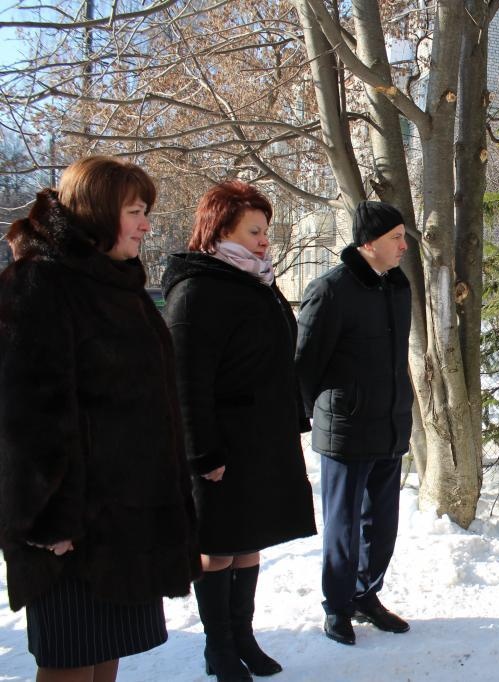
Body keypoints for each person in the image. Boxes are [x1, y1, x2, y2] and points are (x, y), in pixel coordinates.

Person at [0, 156, 201, 682]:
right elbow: (25, 416)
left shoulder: (118, 284)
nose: (146, 225)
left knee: (105, 653)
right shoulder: (41, 283)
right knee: (70, 662)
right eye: (135, 211)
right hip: (72, 531)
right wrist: (46, 520)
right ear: (97, 212)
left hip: (127, 524)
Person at [162, 181, 317, 681]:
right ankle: (219, 646)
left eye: (265, 230)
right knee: (217, 547)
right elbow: (185, 381)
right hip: (221, 447)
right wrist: (203, 453)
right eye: (253, 230)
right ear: (219, 229)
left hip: (260, 441)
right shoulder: (197, 290)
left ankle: (243, 636)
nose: (264, 240)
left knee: (250, 539)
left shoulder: (257, 282)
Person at [295, 200, 413, 645]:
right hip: (345, 430)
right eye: (395, 238)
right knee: (343, 528)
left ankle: (366, 595)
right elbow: (305, 363)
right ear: (368, 243)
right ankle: (338, 606)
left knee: (382, 526)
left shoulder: (397, 287)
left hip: (389, 425)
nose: (404, 245)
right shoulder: (331, 290)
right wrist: (316, 416)